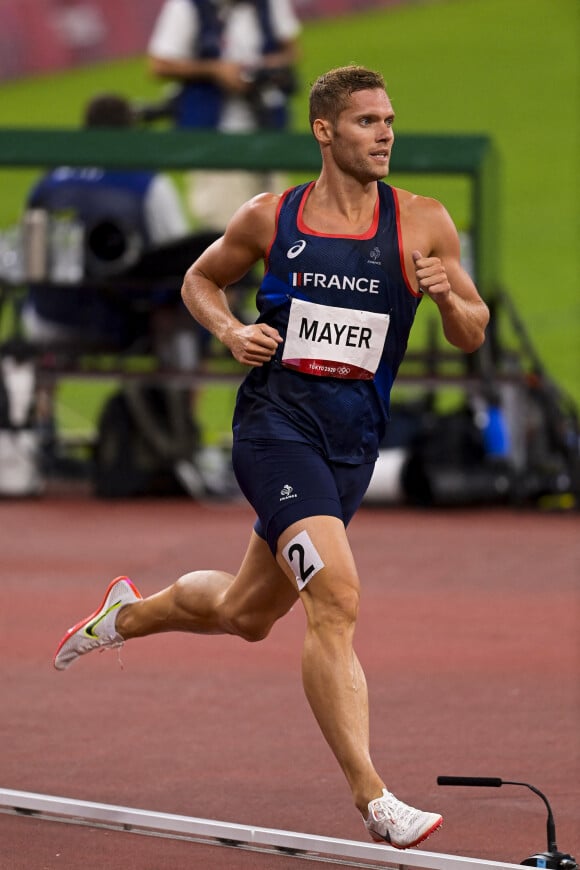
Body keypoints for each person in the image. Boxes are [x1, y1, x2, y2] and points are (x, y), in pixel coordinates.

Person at [54, 66, 490, 849]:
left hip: (352, 445)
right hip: (274, 430)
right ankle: (375, 799)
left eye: (389, 120)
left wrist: (450, 296)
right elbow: (199, 280)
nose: (385, 133)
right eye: (366, 122)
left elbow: (472, 331)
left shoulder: (423, 222)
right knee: (338, 598)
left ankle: (126, 612)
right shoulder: (272, 217)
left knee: (246, 615)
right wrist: (229, 333)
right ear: (325, 131)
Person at [146, 0, 301, 230]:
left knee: (280, 233)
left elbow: (291, 50)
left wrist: (264, 68)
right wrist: (215, 70)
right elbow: (159, 64)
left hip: (267, 133)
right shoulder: (188, 6)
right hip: (215, 142)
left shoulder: (268, 4)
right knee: (224, 233)